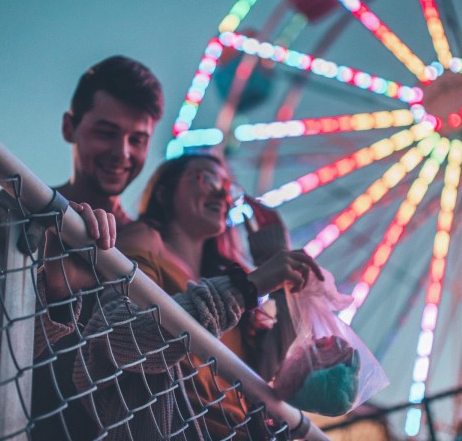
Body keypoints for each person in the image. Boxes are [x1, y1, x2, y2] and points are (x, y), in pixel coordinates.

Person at [0, 55, 164, 440]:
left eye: (137, 139)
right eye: (106, 132)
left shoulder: (147, 242)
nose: (122, 152)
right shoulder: (19, 206)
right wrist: (52, 288)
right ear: (69, 127)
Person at [71, 153, 324, 440]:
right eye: (207, 177)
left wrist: (282, 287)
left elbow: (261, 375)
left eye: (229, 188)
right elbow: (117, 337)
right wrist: (247, 287)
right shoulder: (146, 241)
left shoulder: (217, 276)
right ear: (165, 193)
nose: (222, 192)